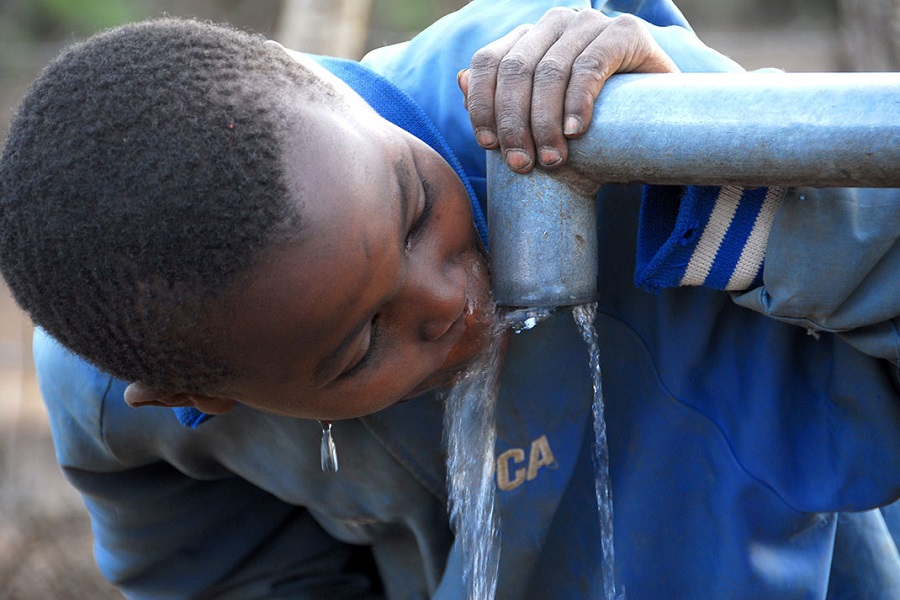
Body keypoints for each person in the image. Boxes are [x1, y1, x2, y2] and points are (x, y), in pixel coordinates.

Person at [1, 0, 898, 598]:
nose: (450, 294)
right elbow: (228, 575)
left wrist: (712, 157)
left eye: (416, 206)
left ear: (332, 92)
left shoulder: (584, 111)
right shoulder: (120, 394)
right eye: (360, 347)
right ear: (198, 397)